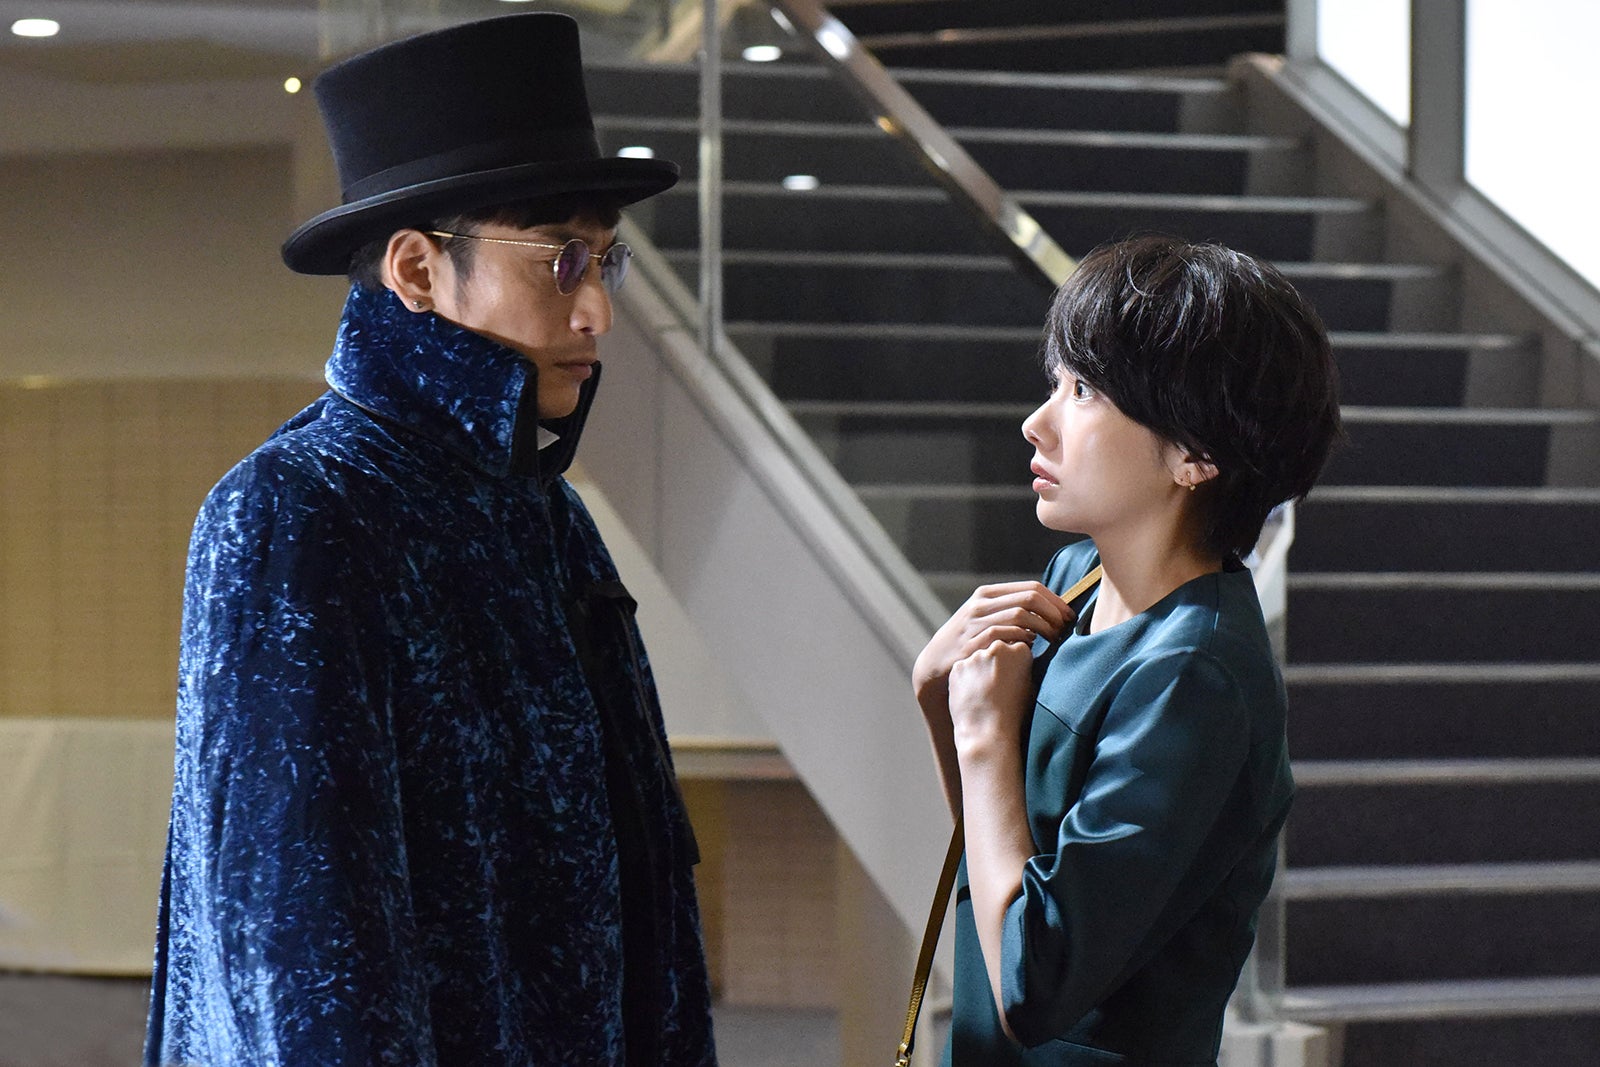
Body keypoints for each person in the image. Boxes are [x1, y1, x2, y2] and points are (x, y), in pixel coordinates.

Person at [144, 14, 715, 1067]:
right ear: (415, 268)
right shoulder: (297, 510)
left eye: (607, 261)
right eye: (562, 260)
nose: (597, 309)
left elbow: (638, 890)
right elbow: (297, 947)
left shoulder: (545, 515)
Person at [912, 236, 1343, 1065]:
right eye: (1055, 382)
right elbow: (1000, 852)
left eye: (1084, 391)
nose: (1038, 421)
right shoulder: (1074, 579)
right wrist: (938, 695)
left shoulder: (1194, 674)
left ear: (1195, 453)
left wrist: (984, 731)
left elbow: (1035, 981)